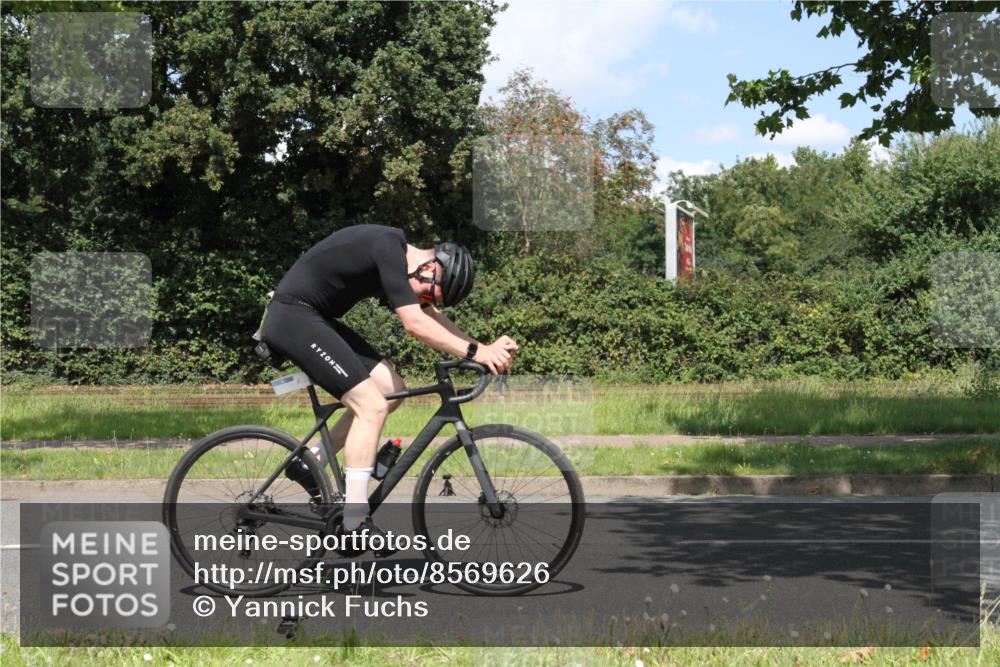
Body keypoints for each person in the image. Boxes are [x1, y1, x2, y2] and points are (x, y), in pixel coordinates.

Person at [260, 224, 518, 553]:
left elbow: (427, 316)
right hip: (293, 316)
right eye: (429, 292)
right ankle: (354, 523)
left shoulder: (397, 259)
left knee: (390, 387)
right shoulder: (387, 246)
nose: (425, 299)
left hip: (314, 318)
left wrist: (481, 348)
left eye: (431, 298)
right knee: (372, 406)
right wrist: (476, 352)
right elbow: (414, 323)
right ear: (429, 267)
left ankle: (310, 463)